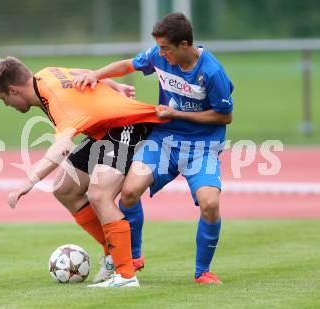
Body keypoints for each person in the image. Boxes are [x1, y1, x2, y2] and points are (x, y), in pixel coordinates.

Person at [73, 12, 234, 285]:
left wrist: (177, 114)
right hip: (164, 140)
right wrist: (95, 75)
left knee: (210, 204)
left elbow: (224, 116)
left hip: (202, 148)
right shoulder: (159, 56)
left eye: (165, 48)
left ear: (184, 45)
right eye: (159, 47)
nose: (160, 53)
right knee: (129, 193)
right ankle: (134, 256)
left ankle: (202, 272)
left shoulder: (212, 72)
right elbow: (127, 65)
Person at [0, 57, 166, 287]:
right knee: (65, 188)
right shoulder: (47, 73)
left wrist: (27, 183)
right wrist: (114, 86)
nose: (6, 104)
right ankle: (112, 253)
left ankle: (125, 275)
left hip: (128, 125)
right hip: (105, 131)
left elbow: (61, 148)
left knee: (99, 194)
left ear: (13, 90)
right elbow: (83, 72)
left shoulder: (58, 104)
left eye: (3, 99)